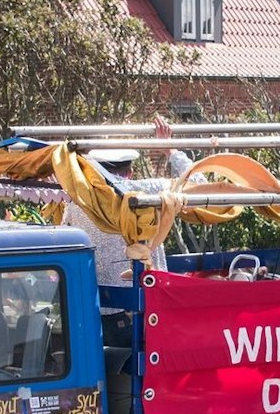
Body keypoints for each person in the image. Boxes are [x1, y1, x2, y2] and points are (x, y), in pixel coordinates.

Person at [66, 118, 192, 290]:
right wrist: (170, 151)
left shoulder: (79, 200)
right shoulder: (149, 190)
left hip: (97, 304)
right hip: (148, 300)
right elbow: (199, 184)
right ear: (130, 171)